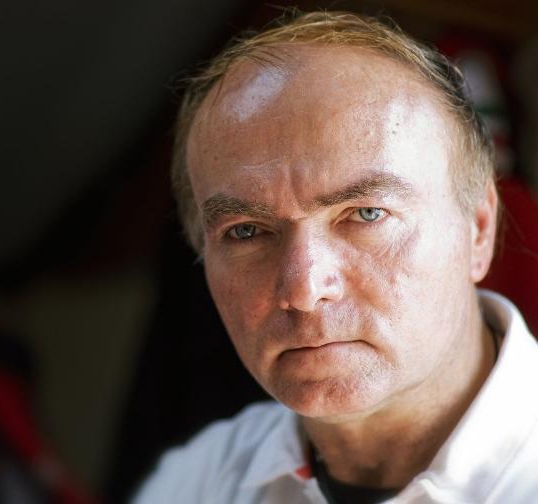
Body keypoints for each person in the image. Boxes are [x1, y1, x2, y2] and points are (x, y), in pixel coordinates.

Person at [134, 10, 538, 504]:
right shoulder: (195, 481)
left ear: (479, 231)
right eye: (245, 231)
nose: (303, 290)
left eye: (367, 213)